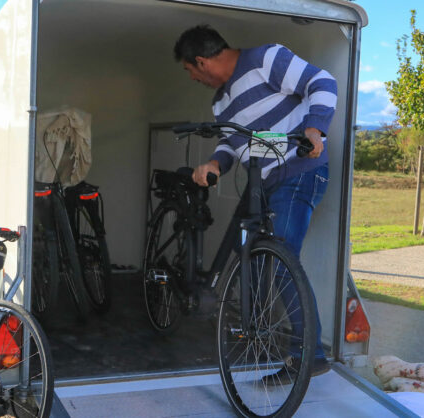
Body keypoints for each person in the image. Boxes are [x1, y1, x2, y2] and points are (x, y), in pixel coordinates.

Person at [174, 25, 337, 383]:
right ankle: (272, 335)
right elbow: (233, 144)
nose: (194, 79)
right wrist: (215, 163)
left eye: (190, 71)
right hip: (263, 183)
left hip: (299, 172)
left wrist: (315, 129)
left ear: (200, 61)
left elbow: (322, 82)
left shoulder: (266, 58)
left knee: (281, 259)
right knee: (263, 255)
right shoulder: (220, 102)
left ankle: (309, 355)